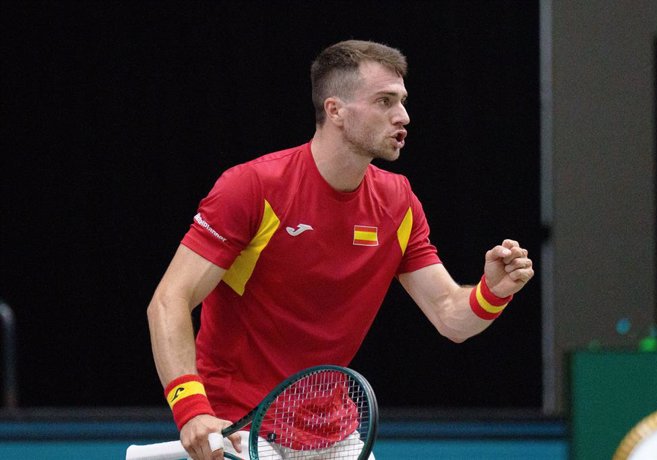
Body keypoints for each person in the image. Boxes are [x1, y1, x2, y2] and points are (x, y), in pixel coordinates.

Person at [146, 39, 534, 460]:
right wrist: (191, 410)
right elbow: (169, 301)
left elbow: (450, 318)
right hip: (238, 427)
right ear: (335, 111)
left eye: (402, 101)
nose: (402, 116)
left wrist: (493, 291)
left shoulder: (398, 203)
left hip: (333, 434)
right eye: (385, 101)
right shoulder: (253, 189)